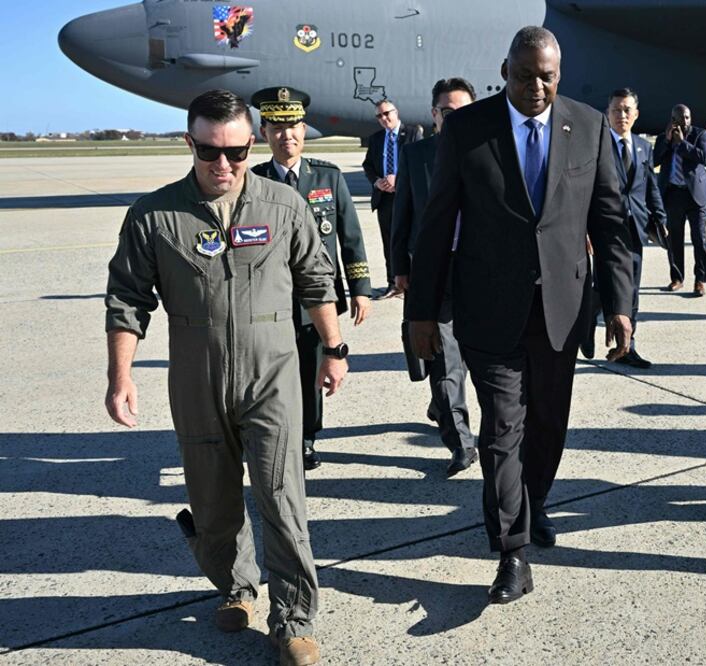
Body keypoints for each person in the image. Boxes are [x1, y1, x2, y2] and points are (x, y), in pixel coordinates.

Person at [104, 90, 346, 666]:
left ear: (252, 143)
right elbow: (127, 300)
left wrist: (335, 349)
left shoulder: (283, 206)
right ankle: (236, 588)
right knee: (213, 505)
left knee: (282, 499)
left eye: (236, 153)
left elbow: (317, 282)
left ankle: (294, 620)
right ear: (190, 143)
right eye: (210, 152)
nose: (224, 166)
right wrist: (121, 375)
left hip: (273, 376)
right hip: (196, 380)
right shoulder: (154, 216)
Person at [406, 26, 634, 604]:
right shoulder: (467, 128)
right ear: (504, 70)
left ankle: (533, 505)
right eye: (525, 74)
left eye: (548, 76)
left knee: (548, 427)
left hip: (562, 308)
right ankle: (512, 551)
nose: (537, 86)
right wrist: (422, 312)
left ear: (560, 73)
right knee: (503, 428)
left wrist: (621, 306)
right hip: (489, 309)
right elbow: (435, 225)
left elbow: (610, 225)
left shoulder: (586, 125)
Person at [251, 86, 372, 471]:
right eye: (278, 128)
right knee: (269, 375)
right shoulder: (254, 182)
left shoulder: (328, 177)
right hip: (269, 301)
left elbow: (350, 238)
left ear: (305, 130)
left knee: (309, 373)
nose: (287, 136)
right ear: (264, 132)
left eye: (294, 127)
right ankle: (273, 435)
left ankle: (305, 438)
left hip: (316, 304)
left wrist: (361, 290)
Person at [391, 77, 479, 476]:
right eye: (446, 112)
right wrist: (400, 269)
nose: (454, 118)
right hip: (433, 272)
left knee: (487, 362)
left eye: (462, 111)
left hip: (481, 272)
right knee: (444, 364)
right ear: (434, 115)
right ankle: (461, 443)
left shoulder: (489, 151)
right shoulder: (416, 156)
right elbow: (402, 215)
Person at [606, 87, 668, 369]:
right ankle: (585, 335)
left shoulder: (643, 147)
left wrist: (659, 218)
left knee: (631, 290)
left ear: (636, 114)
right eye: (617, 110)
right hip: (604, 228)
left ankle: (629, 346)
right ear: (608, 113)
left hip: (635, 228)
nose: (622, 115)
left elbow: (650, 186)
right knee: (598, 288)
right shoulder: (598, 145)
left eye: (627, 110)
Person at [362, 99, 422, 299]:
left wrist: (400, 179)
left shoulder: (413, 133)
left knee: (411, 241)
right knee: (390, 242)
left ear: (396, 112)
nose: (384, 118)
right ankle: (393, 283)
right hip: (385, 199)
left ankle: (413, 281)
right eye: (379, 115)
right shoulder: (377, 138)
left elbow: (418, 163)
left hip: (408, 197)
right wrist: (377, 181)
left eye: (387, 113)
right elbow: (368, 165)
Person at [654, 104, 706, 296]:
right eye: (680, 118)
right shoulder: (665, 137)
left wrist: (682, 144)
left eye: (687, 118)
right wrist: (670, 141)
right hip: (673, 194)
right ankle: (677, 278)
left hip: (695, 195)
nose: (684, 122)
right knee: (674, 239)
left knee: (699, 239)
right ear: (673, 119)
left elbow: (703, 157)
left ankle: (700, 280)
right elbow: (655, 161)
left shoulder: (700, 135)